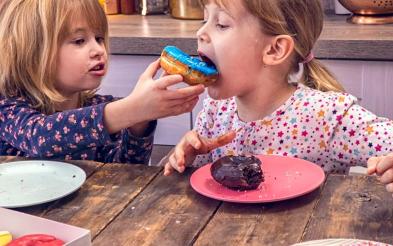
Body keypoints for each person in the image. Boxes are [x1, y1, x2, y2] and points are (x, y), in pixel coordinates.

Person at [163, 0, 393, 196]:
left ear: (275, 50)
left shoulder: (326, 115)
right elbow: (188, 182)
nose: (200, 33)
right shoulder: (215, 109)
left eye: (221, 24)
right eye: (205, 19)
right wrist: (185, 160)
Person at [0, 0, 204, 164]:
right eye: (79, 41)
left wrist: (140, 121)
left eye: (98, 38)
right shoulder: (8, 107)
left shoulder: (101, 107)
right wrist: (132, 109)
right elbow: (39, 137)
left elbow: (126, 169)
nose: (99, 50)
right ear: (32, 54)